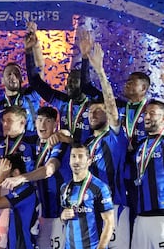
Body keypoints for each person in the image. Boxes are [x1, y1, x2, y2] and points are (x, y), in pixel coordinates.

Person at [0, 106, 72, 249]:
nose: (42, 125)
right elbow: (16, 134)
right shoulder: (35, 142)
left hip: (60, 213)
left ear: (55, 124)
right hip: (42, 214)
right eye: (39, 120)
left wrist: (21, 178)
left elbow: (48, 170)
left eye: (48, 121)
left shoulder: (58, 144)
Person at [85, 42, 130, 248]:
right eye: (90, 111)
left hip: (115, 207)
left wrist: (100, 71)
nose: (93, 113)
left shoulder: (114, 137)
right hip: (90, 210)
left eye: (98, 110)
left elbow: (112, 106)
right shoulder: (85, 145)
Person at [25, 23, 94, 144]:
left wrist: (85, 57)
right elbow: (35, 82)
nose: (68, 85)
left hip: (86, 158)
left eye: (74, 81)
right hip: (63, 157)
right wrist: (29, 51)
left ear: (84, 84)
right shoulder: (63, 102)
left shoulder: (94, 106)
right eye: (68, 81)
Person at [60, 143, 115, 249]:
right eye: (73, 156)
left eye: (80, 156)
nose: (76, 161)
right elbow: (64, 220)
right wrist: (62, 216)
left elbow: (109, 223)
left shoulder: (100, 188)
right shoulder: (64, 188)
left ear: (89, 161)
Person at [0, 153, 40, 249]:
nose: (2, 178)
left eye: (4, 173)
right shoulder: (19, 190)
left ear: (16, 173)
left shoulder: (25, 190)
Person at [131, 99, 164, 249]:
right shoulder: (140, 146)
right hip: (140, 217)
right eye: (145, 113)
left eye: (152, 113)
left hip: (161, 217)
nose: (147, 117)